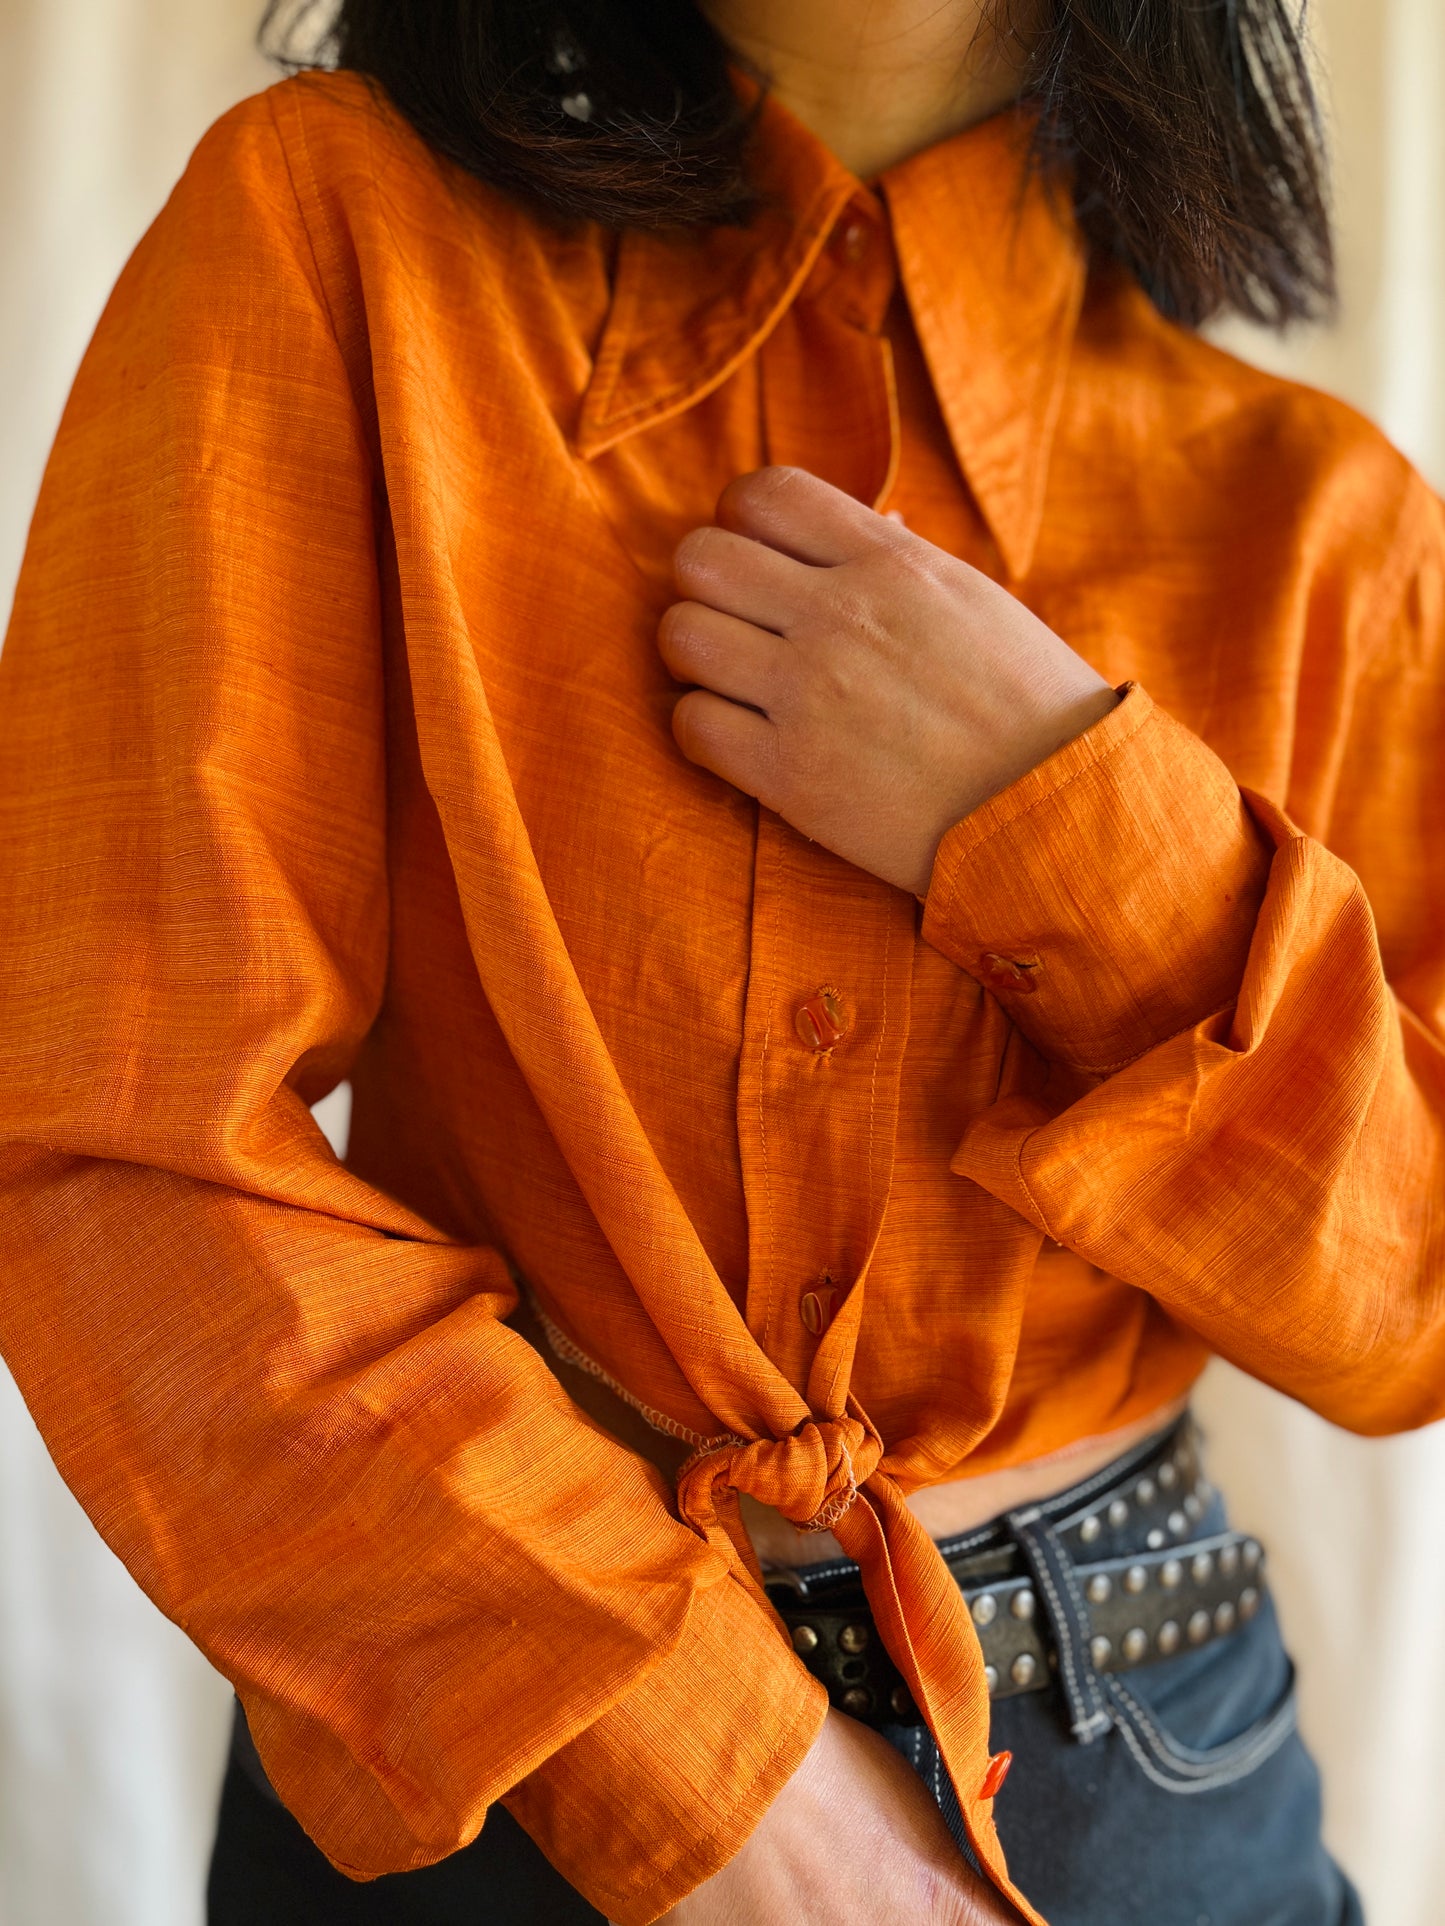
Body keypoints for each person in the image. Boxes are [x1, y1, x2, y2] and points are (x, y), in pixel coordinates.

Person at [0, 0, 1441, 1919]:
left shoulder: (1323, 525)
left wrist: (1067, 830)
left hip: (1150, 1775)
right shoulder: (332, 235)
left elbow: (1416, 1293)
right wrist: (718, 1792)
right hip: (499, 1773)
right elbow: (115, 1127)